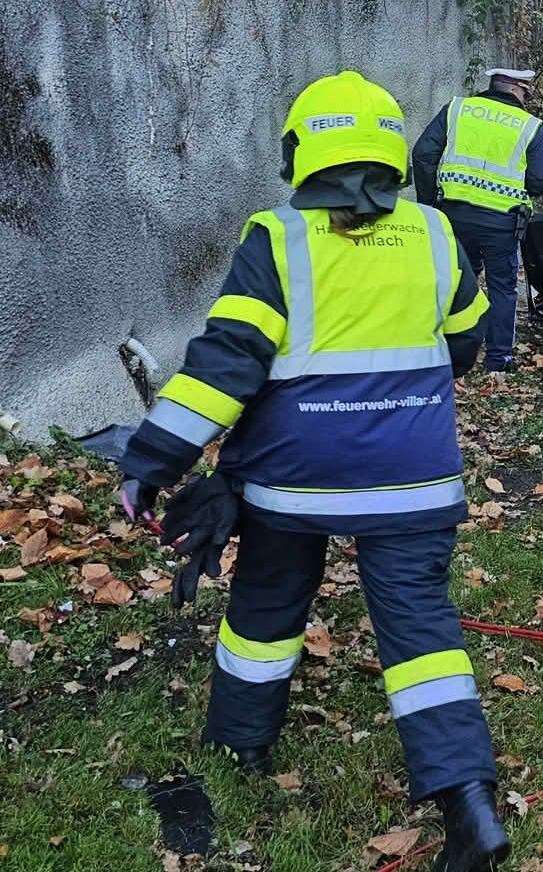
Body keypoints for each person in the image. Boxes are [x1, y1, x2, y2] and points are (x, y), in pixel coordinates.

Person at [116, 72, 508, 870]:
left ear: (301, 152)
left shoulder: (277, 238)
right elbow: (467, 339)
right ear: (390, 152)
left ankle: (241, 743)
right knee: (422, 634)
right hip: (412, 479)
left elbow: (227, 363)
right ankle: (469, 804)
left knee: (267, 601)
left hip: (292, 480)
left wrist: (152, 461)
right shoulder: (435, 233)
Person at [414, 67, 543, 372]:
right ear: (516, 89)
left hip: (453, 215)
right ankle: (497, 360)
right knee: (502, 288)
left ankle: (438, 349)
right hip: (501, 222)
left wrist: (429, 204)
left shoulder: (457, 109)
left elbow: (423, 154)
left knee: (451, 280)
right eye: (525, 92)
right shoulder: (528, 126)